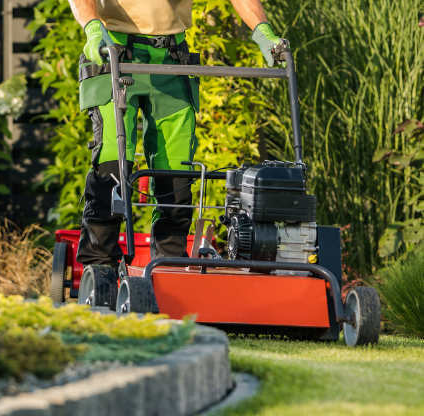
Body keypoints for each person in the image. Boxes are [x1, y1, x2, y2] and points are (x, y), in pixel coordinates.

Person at [68, 0, 283, 271]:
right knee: (113, 160)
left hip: (172, 57)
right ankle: (99, 266)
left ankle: (169, 265)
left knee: (176, 171)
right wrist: (92, 27)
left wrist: (263, 31)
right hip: (113, 50)